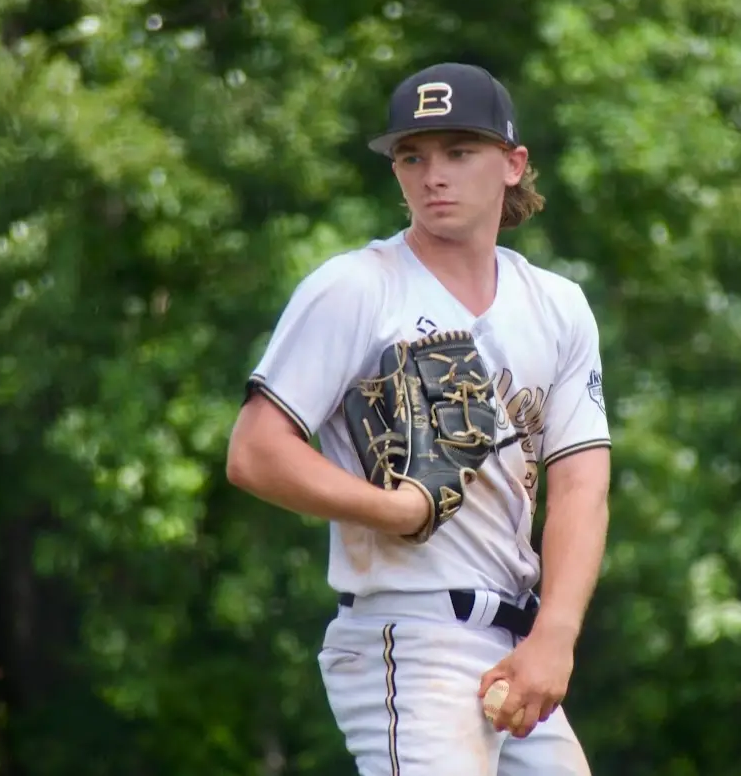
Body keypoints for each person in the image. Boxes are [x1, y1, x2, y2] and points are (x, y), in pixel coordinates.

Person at [226, 62, 612, 776]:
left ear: (512, 164)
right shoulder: (357, 289)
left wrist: (555, 635)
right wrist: (394, 509)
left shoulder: (557, 305)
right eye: (412, 156)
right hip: (411, 634)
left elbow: (582, 486)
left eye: (458, 152)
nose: (434, 175)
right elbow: (255, 451)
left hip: (515, 642)